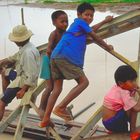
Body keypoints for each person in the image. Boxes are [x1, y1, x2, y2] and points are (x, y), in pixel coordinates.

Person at [39, 2, 114, 128]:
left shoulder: (78, 25)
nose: (89, 18)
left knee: (57, 89)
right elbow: (94, 36)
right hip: (66, 58)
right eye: (86, 15)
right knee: (84, 82)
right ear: (79, 14)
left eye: (91, 16)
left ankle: (45, 119)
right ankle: (61, 107)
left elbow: (91, 30)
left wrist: (105, 21)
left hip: (55, 58)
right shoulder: (79, 23)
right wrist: (107, 47)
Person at [0, 25, 40, 121]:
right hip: (20, 76)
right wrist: (2, 62)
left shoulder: (28, 53)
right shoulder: (26, 47)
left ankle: (4, 101)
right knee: (4, 72)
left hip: (24, 82)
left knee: (1, 103)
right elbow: (13, 57)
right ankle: (6, 96)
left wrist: (23, 90)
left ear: (18, 41)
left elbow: (31, 74)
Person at [38, 10, 68, 119]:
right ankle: (42, 107)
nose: (65, 24)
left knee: (52, 87)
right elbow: (49, 49)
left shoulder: (65, 34)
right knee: (50, 87)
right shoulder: (54, 34)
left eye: (66, 21)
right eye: (62, 21)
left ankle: (45, 109)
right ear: (54, 23)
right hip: (49, 61)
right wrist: (53, 63)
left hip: (54, 62)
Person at [102, 65, 140, 133]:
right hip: (112, 122)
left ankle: (117, 131)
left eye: (135, 80)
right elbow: (137, 108)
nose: (135, 83)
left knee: (131, 105)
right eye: (132, 81)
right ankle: (132, 130)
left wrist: (134, 88)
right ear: (121, 83)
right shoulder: (123, 92)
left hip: (108, 121)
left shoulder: (118, 87)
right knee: (133, 108)